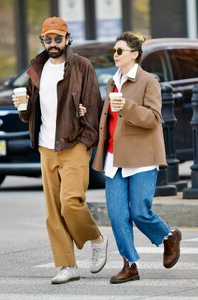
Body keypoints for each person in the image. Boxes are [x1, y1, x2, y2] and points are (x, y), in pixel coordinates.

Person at [12, 16, 108, 284]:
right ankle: (67, 265)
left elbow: (93, 108)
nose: (53, 43)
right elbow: (30, 113)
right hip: (46, 146)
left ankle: (96, 239)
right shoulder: (36, 70)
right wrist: (22, 108)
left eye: (58, 38)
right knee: (53, 212)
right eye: (48, 39)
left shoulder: (81, 67)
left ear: (67, 39)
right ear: (42, 41)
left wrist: (85, 142)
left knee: (70, 202)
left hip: (73, 144)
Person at [91, 31, 182, 284]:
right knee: (118, 214)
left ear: (134, 54)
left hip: (142, 157)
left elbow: (154, 118)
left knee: (140, 212)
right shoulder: (112, 81)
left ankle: (168, 236)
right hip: (114, 156)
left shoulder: (148, 81)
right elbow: (107, 120)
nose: (115, 55)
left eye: (120, 51)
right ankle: (129, 265)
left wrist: (126, 108)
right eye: (114, 51)